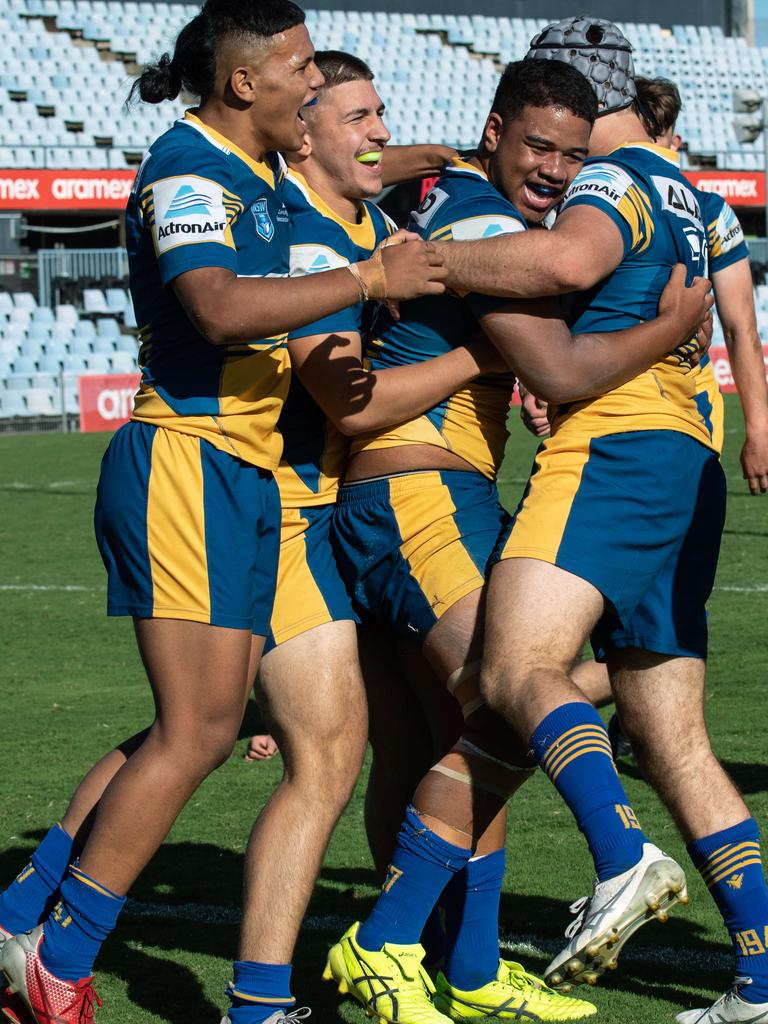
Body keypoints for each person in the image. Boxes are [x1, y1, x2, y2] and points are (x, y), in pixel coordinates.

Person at [0, 6, 447, 1024]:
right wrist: (371, 276)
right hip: (188, 462)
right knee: (198, 728)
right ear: (248, 84)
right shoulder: (190, 168)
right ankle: (53, 953)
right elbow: (212, 303)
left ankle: (44, 929)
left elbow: (356, 160)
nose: (314, 82)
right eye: (299, 67)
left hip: (244, 480)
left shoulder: (253, 172)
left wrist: (430, 159)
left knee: (208, 725)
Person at [323, 57, 712, 1024]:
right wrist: (670, 328)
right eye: (538, 145)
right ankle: (611, 859)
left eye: (574, 157)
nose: (553, 170)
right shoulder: (483, 221)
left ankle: (451, 965)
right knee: (506, 695)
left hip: (423, 497)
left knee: (452, 734)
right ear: (496, 130)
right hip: (420, 497)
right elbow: (561, 365)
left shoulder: (461, 195)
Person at [432, 18, 768, 1024]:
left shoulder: (609, 177)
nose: (558, 147)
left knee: (507, 667)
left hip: (611, 453)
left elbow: (569, 267)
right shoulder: (689, 190)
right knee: (672, 736)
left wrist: (426, 262)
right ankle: (759, 976)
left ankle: (619, 857)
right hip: (683, 454)